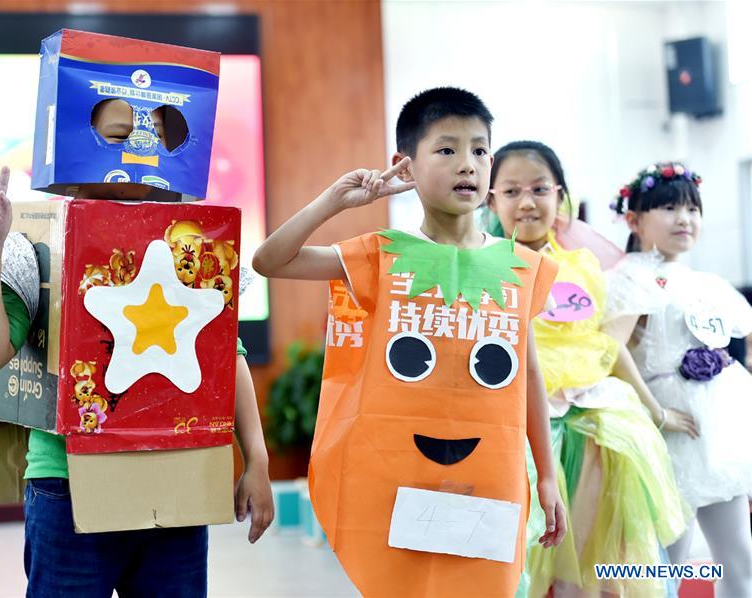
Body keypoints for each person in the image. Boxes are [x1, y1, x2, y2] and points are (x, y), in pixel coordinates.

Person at [0, 88, 273, 598]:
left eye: (156, 138)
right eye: (119, 136)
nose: (139, 151)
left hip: (178, 474)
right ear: (81, 146)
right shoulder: (40, 241)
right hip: (70, 483)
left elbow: (223, 358)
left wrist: (256, 458)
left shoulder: (197, 246)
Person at [253, 87, 565, 597]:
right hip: (396, 475)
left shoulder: (522, 267)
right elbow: (271, 260)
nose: (467, 164)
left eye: (480, 150)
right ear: (406, 166)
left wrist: (547, 476)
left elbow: (526, 373)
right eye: (446, 150)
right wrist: (337, 200)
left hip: (492, 472)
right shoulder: (381, 254)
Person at [487, 141, 690, 597]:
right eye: (512, 190)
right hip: (519, 424)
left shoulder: (585, 267)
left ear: (560, 196)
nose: (526, 202)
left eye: (539, 189)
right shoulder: (486, 266)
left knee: (601, 558)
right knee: (525, 559)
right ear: (491, 198)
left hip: (596, 414)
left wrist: (654, 409)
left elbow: (608, 345)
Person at [605, 161, 752, 597]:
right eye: (669, 207)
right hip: (663, 433)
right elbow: (610, 347)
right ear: (634, 219)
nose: (684, 219)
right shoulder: (628, 276)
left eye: (693, 209)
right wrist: (657, 413)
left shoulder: (705, 280)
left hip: (716, 432)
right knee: (664, 562)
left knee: (738, 555)